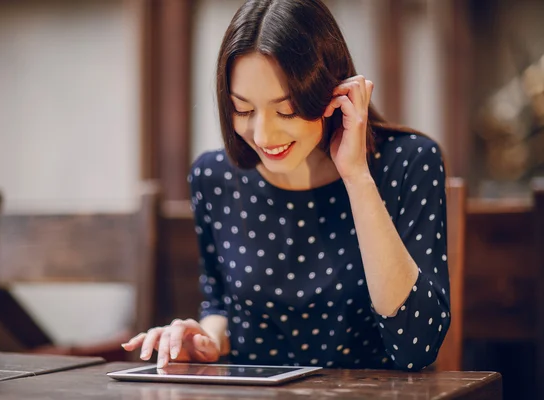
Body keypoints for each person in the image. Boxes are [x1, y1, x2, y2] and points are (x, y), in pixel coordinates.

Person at [122, 0, 450, 371]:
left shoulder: (408, 162)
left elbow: (416, 348)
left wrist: (357, 176)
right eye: (243, 110)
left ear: (332, 93)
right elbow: (222, 305)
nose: (263, 134)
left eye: (287, 110)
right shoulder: (213, 177)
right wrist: (205, 340)